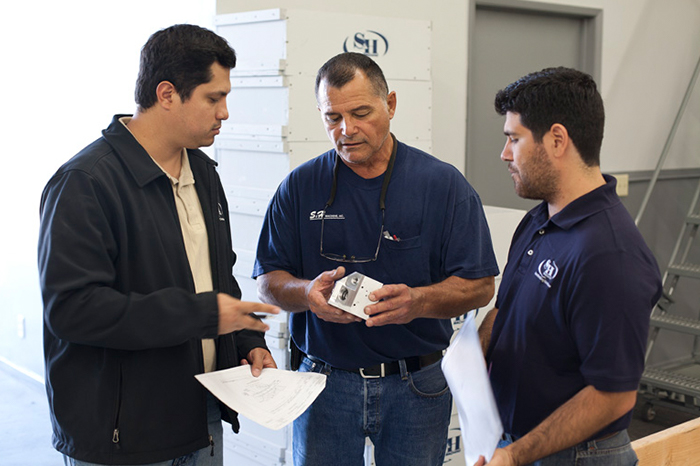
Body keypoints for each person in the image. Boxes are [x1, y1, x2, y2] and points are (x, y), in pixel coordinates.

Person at [37, 24, 280, 466]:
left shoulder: (205, 174)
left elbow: (215, 278)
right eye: (213, 97)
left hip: (201, 412)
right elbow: (72, 310)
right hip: (124, 436)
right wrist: (205, 314)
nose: (224, 113)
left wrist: (245, 342)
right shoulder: (85, 183)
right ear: (167, 93)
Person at [254, 52, 499, 466]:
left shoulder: (441, 185)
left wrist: (417, 302)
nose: (346, 130)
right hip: (324, 385)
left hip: (416, 387)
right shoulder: (300, 187)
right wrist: (305, 293)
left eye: (361, 112)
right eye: (332, 118)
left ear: (391, 105)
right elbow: (268, 279)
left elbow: (479, 285)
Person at [476, 67, 662, 466]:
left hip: (575, 456)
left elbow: (612, 395)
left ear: (557, 139)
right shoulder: (540, 219)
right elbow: (505, 309)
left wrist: (514, 455)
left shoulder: (611, 256)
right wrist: (475, 352)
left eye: (514, 139)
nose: (505, 154)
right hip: (521, 443)